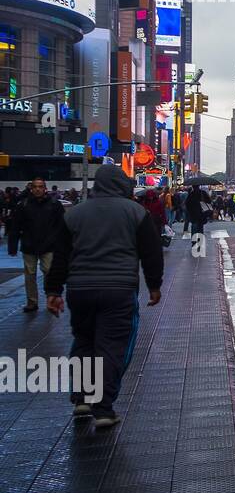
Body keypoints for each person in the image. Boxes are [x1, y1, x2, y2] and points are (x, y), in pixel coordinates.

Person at [45, 164, 164, 430]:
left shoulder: (74, 214)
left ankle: (82, 398)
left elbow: (61, 255)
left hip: (79, 289)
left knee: (84, 341)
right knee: (112, 347)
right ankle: (103, 407)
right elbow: (151, 252)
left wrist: (53, 291)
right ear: (123, 185)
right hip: (119, 289)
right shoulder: (135, 212)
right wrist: (154, 285)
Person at [7, 179, 65, 313]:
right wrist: (13, 246)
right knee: (32, 274)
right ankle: (34, 301)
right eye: (35, 187)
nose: (38, 189)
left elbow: (61, 226)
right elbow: (15, 227)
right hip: (32, 244)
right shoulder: (27, 205)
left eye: (40, 187)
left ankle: (38, 300)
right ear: (31, 188)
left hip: (44, 244)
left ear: (45, 188)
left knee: (44, 273)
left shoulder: (29, 204)